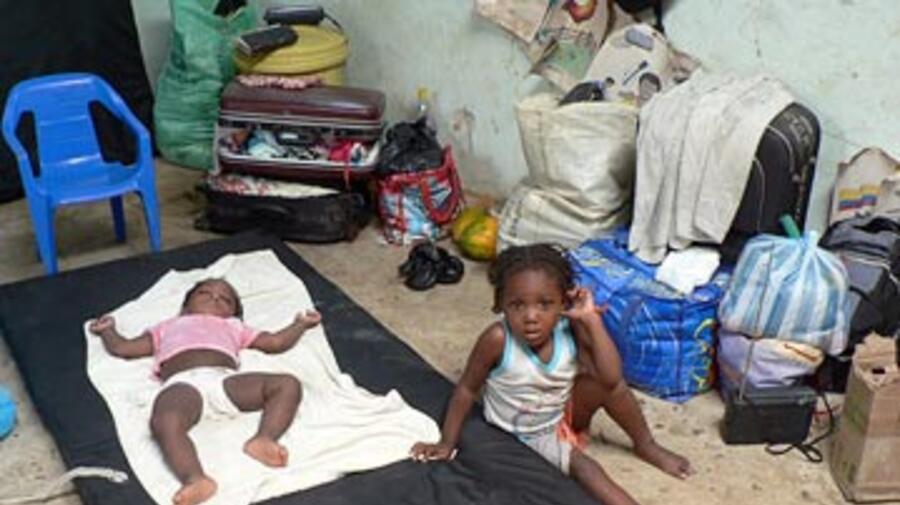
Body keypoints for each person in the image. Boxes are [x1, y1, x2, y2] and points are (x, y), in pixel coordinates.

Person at [410, 244, 691, 505]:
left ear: (563, 304)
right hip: (529, 436)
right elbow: (466, 389)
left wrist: (591, 320)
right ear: (500, 305)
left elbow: (610, 377)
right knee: (587, 468)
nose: (531, 316)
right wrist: (446, 443)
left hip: (560, 415)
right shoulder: (497, 339)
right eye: (517, 305)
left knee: (609, 386)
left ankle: (646, 444)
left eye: (544, 304)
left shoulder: (569, 329)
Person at [89, 278, 321, 505]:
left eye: (225, 299)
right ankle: (195, 478)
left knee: (287, 384)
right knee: (164, 420)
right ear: (185, 305)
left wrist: (301, 324)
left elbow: (276, 342)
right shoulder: (167, 326)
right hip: (182, 385)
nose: (215, 299)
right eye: (205, 293)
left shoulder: (234, 327)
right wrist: (108, 330)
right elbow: (124, 348)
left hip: (223, 380)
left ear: (233, 313)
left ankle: (265, 438)